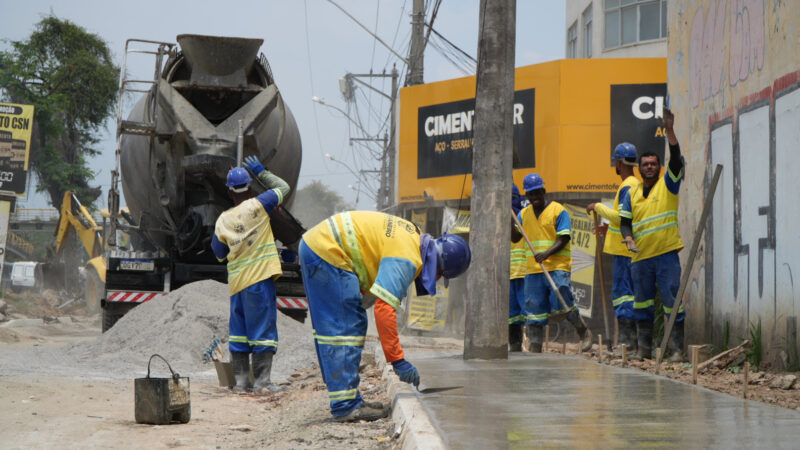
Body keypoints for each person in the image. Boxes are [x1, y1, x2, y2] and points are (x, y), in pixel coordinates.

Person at [299, 211, 471, 422]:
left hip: (320, 245)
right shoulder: (407, 258)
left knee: (344, 323)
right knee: (345, 327)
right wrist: (398, 360)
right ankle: (346, 406)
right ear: (440, 267)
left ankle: (346, 398)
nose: (437, 279)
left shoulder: (413, 237)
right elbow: (384, 309)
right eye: (441, 276)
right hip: (327, 251)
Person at [211, 155, 289, 394]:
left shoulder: (223, 219)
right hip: (259, 281)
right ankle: (262, 383)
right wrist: (260, 171)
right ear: (249, 187)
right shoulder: (260, 204)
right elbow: (283, 188)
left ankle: (242, 383)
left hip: (237, 286)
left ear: (230, 192)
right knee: (263, 331)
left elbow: (219, 254)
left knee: (240, 333)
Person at [619, 108, 686, 362]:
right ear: (639, 168)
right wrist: (628, 238)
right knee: (642, 305)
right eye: (645, 165)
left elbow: (677, 161)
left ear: (659, 167)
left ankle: (677, 350)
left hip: (666, 256)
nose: (649, 167)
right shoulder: (631, 193)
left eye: (653, 164)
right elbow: (625, 222)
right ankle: (644, 349)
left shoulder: (668, 184)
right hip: (640, 259)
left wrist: (669, 130)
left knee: (672, 302)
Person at [511, 173, 592, 353]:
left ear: (544, 191)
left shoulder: (558, 210)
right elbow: (515, 237)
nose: (535, 197)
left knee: (562, 299)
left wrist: (546, 254)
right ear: (526, 196)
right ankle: (535, 347)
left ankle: (582, 330)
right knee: (534, 309)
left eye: (537, 193)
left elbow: (563, 238)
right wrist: (511, 215)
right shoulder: (523, 214)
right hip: (533, 269)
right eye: (531, 194)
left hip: (557, 266)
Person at [586, 143, 642, 354]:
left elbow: (621, 217)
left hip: (623, 252)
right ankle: (630, 343)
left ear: (619, 163)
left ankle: (628, 345)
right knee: (628, 295)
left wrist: (598, 208)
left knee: (624, 296)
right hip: (625, 248)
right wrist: (608, 229)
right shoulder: (634, 184)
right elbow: (627, 219)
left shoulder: (628, 185)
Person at [509, 184, 528, 352]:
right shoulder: (498, 217)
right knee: (512, 316)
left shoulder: (524, 214)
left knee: (529, 313)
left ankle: (532, 346)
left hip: (524, 271)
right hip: (509, 274)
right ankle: (515, 346)